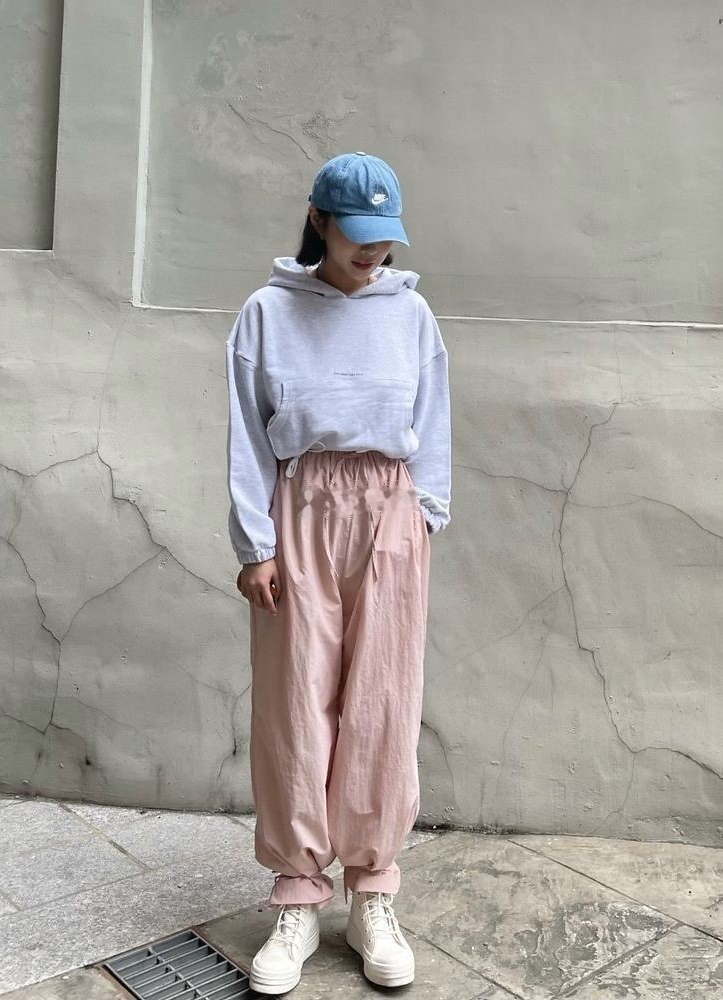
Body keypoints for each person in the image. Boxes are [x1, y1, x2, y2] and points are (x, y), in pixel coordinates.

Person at [225, 151, 451, 994]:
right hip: (301, 510)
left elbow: (434, 419)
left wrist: (424, 516)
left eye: (384, 237)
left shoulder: (411, 314)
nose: (373, 251)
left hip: (389, 509)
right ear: (318, 220)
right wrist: (255, 544)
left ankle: (372, 893)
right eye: (357, 234)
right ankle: (297, 896)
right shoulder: (267, 312)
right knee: (295, 700)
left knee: (383, 701)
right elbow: (247, 433)